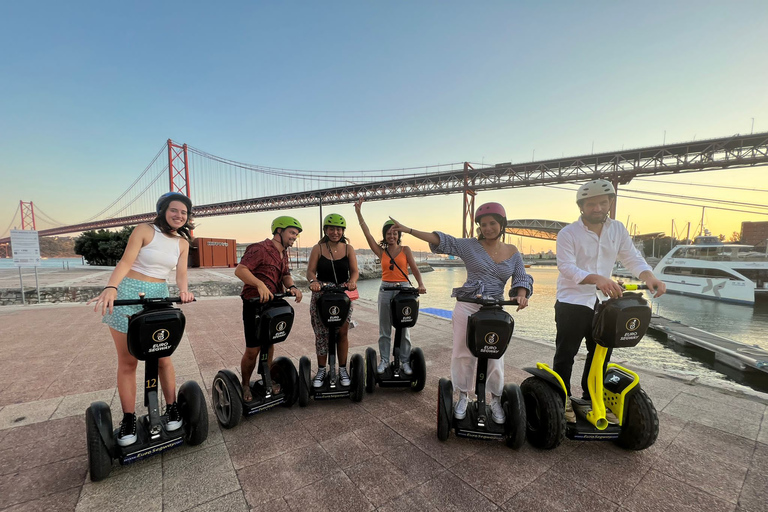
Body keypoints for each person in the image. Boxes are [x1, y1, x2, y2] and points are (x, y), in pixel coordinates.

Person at [389, 202, 533, 424]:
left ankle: (494, 399)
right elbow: (442, 240)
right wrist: (408, 230)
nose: (487, 228)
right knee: (462, 353)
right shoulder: (470, 246)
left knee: (495, 358)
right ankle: (463, 395)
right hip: (468, 305)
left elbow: (521, 277)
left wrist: (521, 294)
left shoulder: (513, 252)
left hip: (495, 309)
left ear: (501, 224)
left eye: (492, 223)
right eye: (483, 224)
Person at [555, 179, 666, 423]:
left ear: (610, 203)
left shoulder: (617, 230)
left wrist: (649, 277)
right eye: (591, 204)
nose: (597, 208)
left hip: (604, 303)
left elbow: (632, 258)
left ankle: (589, 398)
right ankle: (561, 400)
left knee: (601, 354)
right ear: (581, 206)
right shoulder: (568, 233)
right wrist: (598, 279)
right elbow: (566, 267)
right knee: (566, 353)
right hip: (572, 302)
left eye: (602, 203)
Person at [89, 192, 195, 447]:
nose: (179, 215)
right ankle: (128, 418)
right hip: (128, 291)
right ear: (162, 210)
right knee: (128, 361)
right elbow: (125, 262)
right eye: (174, 210)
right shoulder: (144, 230)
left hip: (159, 294)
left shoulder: (182, 242)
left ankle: (171, 408)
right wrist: (111, 287)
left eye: (184, 212)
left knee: (163, 357)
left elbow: (181, 274)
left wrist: (183, 291)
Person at [354, 198, 426, 375]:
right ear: (385, 236)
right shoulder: (381, 251)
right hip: (385, 289)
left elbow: (415, 270)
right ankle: (385, 360)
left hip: (403, 290)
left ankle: (404, 361)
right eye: (388, 234)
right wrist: (358, 213)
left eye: (395, 233)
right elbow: (368, 235)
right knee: (384, 328)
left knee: (404, 329)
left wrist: (421, 284)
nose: (392, 236)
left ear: (398, 236)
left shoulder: (406, 250)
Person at [234, 216, 303, 402]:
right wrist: (259, 285)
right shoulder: (259, 248)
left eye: (296, 234)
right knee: (253, 349)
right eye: (291, 232)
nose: (294, 237)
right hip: (254, 303)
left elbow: (286, 275)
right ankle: (245, 384)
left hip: (273, 303)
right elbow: (240, 270)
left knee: (270, 342)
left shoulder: (283, 253)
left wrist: (292, 287)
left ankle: (266, 378)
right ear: (279, 231)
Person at [306, 213, 359, 388]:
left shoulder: (348, 248)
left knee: (342, 332)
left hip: (342, 294)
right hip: (322, 294)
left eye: (338, 229)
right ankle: (322, 370)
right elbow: (310, 272)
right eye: (331, 228)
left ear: (343, 230)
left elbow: (355, 271)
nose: (335, 232)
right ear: (325, 230)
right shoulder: (318, 248)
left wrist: (352, 282)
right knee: (322, 335)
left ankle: (342, 369)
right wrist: (313, 282)